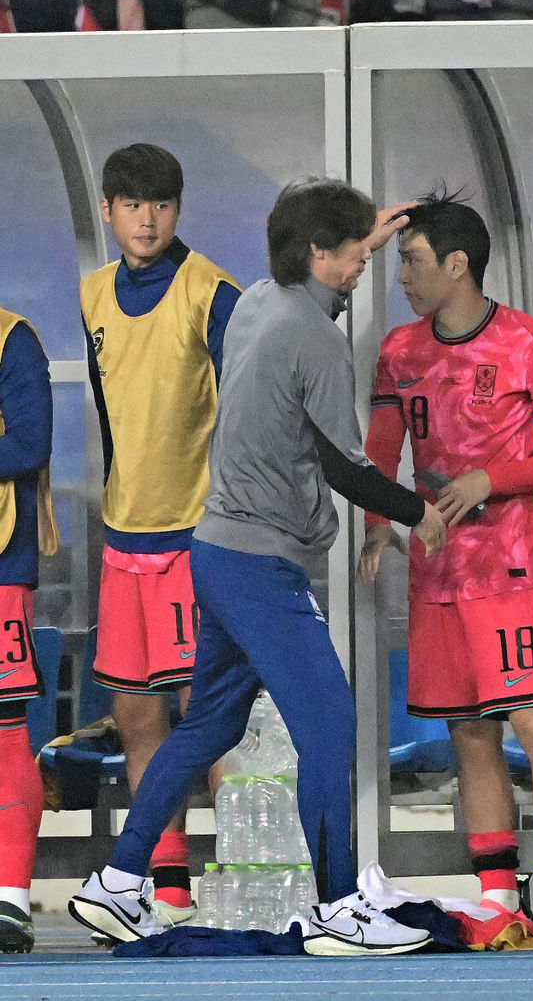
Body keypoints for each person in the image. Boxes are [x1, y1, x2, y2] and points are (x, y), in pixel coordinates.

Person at [70, 176, 447, 957]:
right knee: (331, 725)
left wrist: (353, 238)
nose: (359, 271)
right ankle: (340, 905)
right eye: (352, 258)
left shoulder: (255, 303)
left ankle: (116, 879)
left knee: (210, 720)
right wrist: (420, 512)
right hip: (260, 568)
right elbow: (349, 469)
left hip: (215, 550)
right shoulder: (315, 336)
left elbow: (311, 289)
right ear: (317, 253)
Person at [357, 190, 533, 947]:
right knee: (469, 734)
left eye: (413, 260)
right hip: (437, 576)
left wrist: (488, 480)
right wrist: (380, 526)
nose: (401, 275)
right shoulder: (400, 351)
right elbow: (380, 452)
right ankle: (499, 896)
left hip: (511, 569)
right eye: (400, 260)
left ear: (458, 264)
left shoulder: (532, 343)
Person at [80, 143, 242, 925]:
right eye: (132, 203)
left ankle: (245, 878)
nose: (147, 219)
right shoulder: (91, 296)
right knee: (138, 716)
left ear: (180, 210)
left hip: (195, 539)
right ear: (108, 210)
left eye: (161, 204)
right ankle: (162, 888)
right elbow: (113, 422)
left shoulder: (212, 293)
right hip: (123, 541)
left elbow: (249, 412)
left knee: (207, 717)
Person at [0, 305, 58, 953]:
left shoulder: (11, 337)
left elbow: (29, 443)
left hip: (1, 563)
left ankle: (10, 899)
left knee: (4, 728)